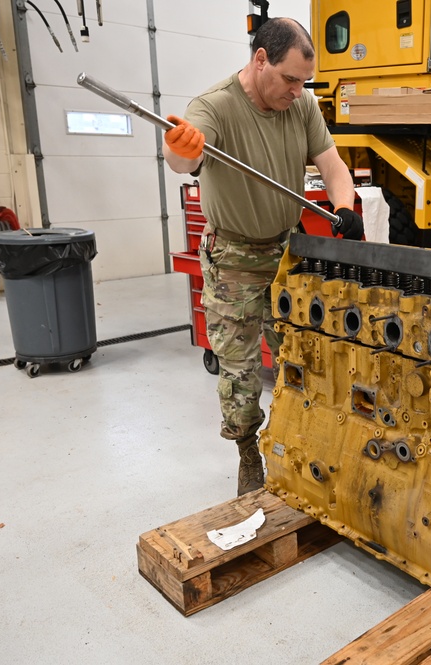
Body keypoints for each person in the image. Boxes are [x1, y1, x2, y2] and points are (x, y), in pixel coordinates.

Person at [162, 17, 364, 495]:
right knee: (240, 370)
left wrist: (343, 204)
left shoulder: (302, 105)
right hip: (232, 258)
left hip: (286, 251)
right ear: (260, 60)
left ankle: (299, 445)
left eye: (304, 82)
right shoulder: (213, 107)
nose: (298, 91)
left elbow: (332, 164)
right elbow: (185, 161)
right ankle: (249, 453)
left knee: (303, 355)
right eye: (291, 79)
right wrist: (181, 148)